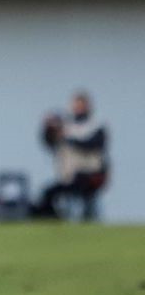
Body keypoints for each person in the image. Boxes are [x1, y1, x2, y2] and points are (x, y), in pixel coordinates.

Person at [32, 91, 108, 221]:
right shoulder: (66, 126)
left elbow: (94, 144)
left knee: (86, 201)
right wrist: (48, 129)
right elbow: (50, 143)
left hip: (90, 174)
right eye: (76, 105)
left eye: (81, 105)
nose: (78, 108)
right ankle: (53, 220)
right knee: (48, 194)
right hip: (68, 176)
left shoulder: (96, 126)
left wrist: (69, 138)